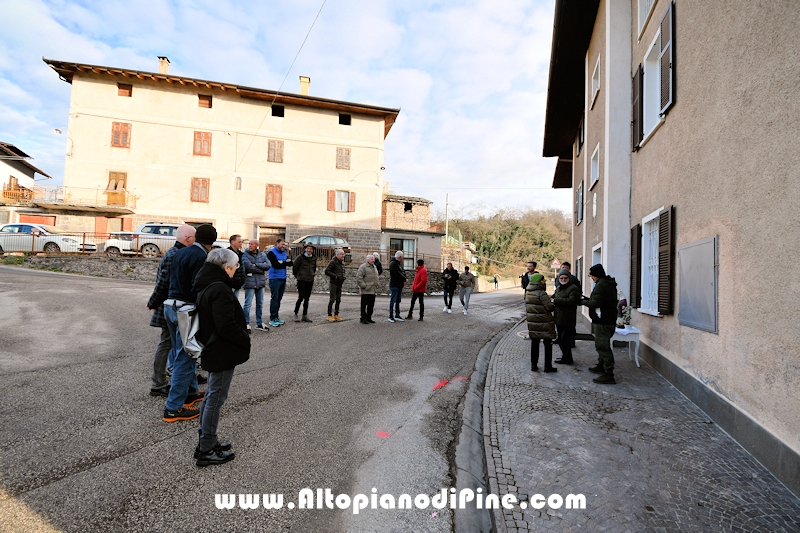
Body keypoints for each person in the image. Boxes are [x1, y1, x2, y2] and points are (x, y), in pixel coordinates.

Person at [193, 248, 250, 467]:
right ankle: (206, 448)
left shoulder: (208, 283)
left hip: (215, 348)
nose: (236, 270)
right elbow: (225, 325)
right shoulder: (219, 289)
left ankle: (207, 439)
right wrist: (244, 339)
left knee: (211, 396)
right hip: (221, 350)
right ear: (226, 268)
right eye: (235, 266)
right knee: (216, 398)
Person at [162, 223, 217, 422]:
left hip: (171, 305)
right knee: (185, 358)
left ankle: (190, 393)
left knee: (182, 353)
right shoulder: (202, 256)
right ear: (213, 241)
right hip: (186, 310)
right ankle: (173, 407)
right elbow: (198, 287)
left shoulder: (181, 252)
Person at [146, 224, 195, 397]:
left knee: (177, 343)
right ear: (187, 238)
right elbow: (162, 283)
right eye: (194, 238)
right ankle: (158, 383)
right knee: (166, 343)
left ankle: (185, 377)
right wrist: (153, 302)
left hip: (173, 305)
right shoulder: (174, 255)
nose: (195, 241)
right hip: (170, 305)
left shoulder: (177, 253)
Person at [581, 264, 618, 384]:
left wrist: (582, 301)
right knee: (602, 344)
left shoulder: (601, 285)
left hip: (603, 320)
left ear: (596, 275)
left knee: (602, 346)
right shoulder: (608, 283)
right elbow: (601, 301)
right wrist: (587, 300)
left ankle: (608, 374)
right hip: (607, 319)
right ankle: (601, 365)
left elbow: (595, 303)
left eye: (591, 275)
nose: (591, 278)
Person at [525, 273, 557, 373]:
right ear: (539, 281)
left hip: (533, 322)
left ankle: (533, 365)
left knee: (535, 344)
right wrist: (553, 303)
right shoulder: (541, 293)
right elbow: (549, 307)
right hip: (544, 322)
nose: (545, 281)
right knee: (547, 344)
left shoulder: (528, 292)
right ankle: (548, 367)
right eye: (543, 280)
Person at [552, 269, 581, 365]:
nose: (563, 280)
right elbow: (553, 297)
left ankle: (567, 358)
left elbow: (572, 301)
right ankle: (565, 356)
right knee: (561, 340)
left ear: (569, 278)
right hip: (559, 318)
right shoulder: (559, 288)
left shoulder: (573, 288)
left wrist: (556, 301)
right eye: (561, 278)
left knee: (565, 340)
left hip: (568, 319)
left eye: (565, 278)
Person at [241, 239, 269, 332]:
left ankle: (259, 323)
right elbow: (248, 267)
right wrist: (261, 268)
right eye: (249, 244)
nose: (249, 245)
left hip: (260, 282)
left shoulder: (263, 255)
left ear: (257, 245)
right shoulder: (245, 255)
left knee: (259, 303)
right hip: (249, 282)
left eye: (252, 244)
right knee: (247, 304)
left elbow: (268, 265)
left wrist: (255, 264)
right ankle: (246, 323)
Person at [266, 238, 293, 327]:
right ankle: (273, 318)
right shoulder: (271, 253)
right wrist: (284, 263)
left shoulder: (284, 252)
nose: (283, 246)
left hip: (283, 278)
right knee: (275, 298)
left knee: (279, 299)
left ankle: (276, 317)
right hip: (274, 278)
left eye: (284, 245)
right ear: (277, 244)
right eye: (282, 244)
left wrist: (282, 262)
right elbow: (275, 265)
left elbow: (291, 263)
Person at [292, 242, 317, 322]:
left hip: (310, 280)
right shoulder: (300, 257)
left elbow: (314, 268)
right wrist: (298, 276)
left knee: (307, 298)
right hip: (302, 280)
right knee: (300, 297)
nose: (309, 250)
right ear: (305, 249)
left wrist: (312, 275)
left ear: (312, 250)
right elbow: (295, 268)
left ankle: (304, 315)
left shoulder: (314, 258)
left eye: (311, 249)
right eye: (308, 248)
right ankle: (295, 313)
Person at [356, 253, 379, 324]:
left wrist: (377, 284)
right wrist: (363, 285)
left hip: (373, 289)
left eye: (373, 259)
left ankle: (369, 317)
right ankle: (363, 318)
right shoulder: (363, 267)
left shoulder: (374, 267)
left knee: (371, 305)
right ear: (368, 260)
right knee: (364, 305)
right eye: (372, 259)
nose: (373, 260)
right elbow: (359, 277)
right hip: (366, 290)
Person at [324, 249, 346, 322]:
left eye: (343, 254)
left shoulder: (342, 263)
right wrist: (335, 276)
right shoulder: (333, 262)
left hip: (340, 283)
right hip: (333, 283)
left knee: (338, 299)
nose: (343, 256)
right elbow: (327, 271)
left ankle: (336, 314)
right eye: (342, 254)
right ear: (337, 255)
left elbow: (342, 271)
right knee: (332, 299)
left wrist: (343, 277)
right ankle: (329, 315)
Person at [387, 251, 407, 322]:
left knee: (398, 301)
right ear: (400, 257)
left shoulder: (399, 264)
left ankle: (397, 315)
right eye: (402, 257)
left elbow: (403, 272)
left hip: (399, 285)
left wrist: (405, 278)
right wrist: (404, 279)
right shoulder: (393, 264)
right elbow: (397, 273)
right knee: (393, 301)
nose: (403, 259)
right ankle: (391, 316)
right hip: (394, 285)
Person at [227, 235, 245, 300]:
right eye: (239, 242)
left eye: (241, 242)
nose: (241, 243)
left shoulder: (241, 254)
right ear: (232, 242)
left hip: (238, 283)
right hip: (230, 283)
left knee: (235, 302)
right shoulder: (227, 253)